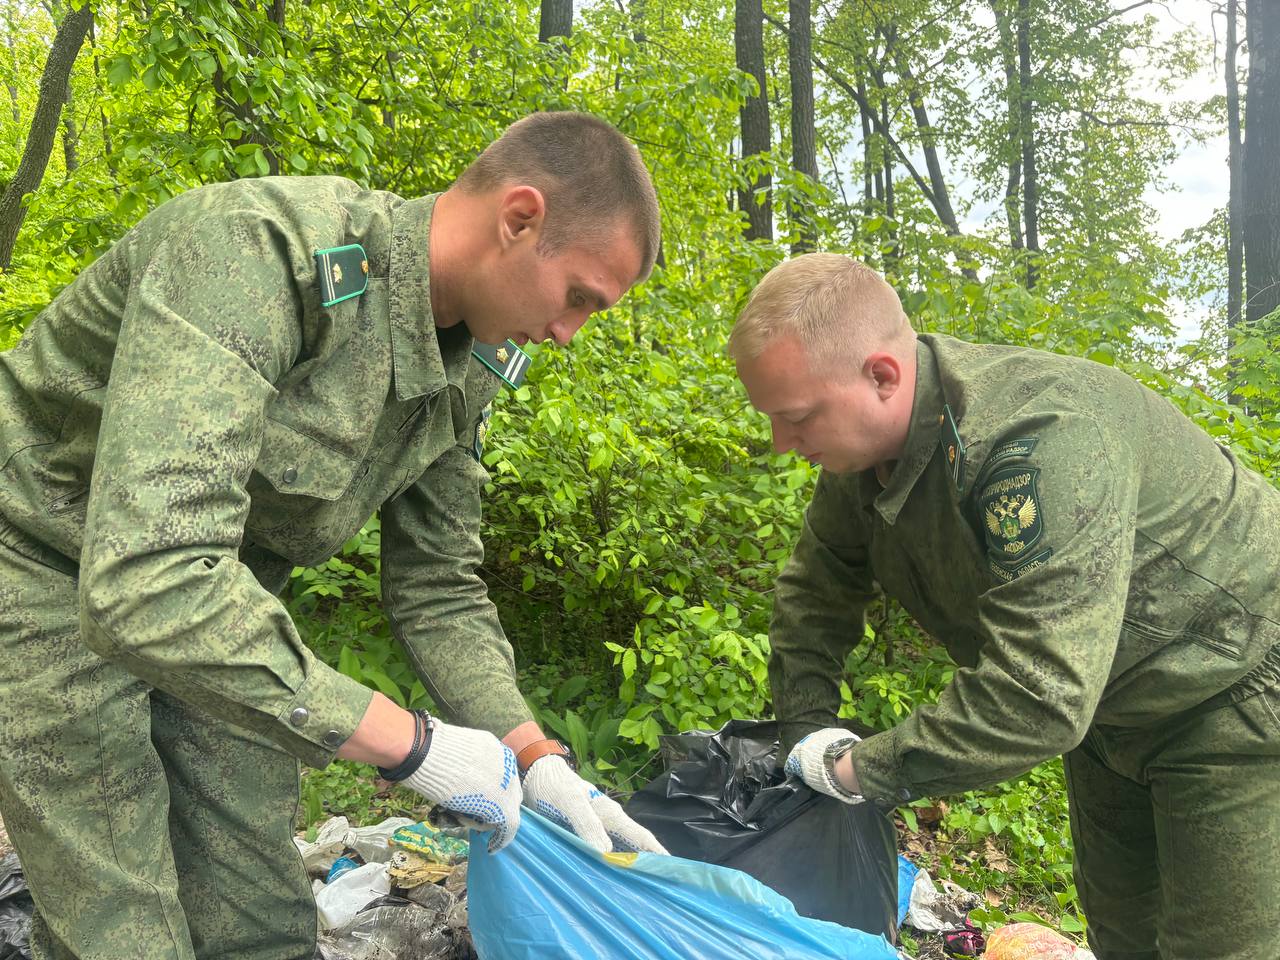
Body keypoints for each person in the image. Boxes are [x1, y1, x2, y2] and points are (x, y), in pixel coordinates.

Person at [0, 110, 665, 960]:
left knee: (259, 913)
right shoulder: (261, 254)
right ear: (520, 217)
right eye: (578, 297)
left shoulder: (477, 362)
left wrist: (531, 753)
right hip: (47, 558)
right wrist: (410, 745)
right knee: (122, 926)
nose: (569, 333)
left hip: (224, 605)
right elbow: (147, 576)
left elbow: (438, 586)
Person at [730, 253, 1280, 960]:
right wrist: (806, 738)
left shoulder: (1039, 440)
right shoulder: (861, 462)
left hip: (1238, 690)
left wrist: (855, 772)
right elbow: (816, 594)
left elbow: (1038, 694)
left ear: (881, 376)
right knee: (1126, 940)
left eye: (796, 417)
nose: (781, 443)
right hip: (1111, 711)